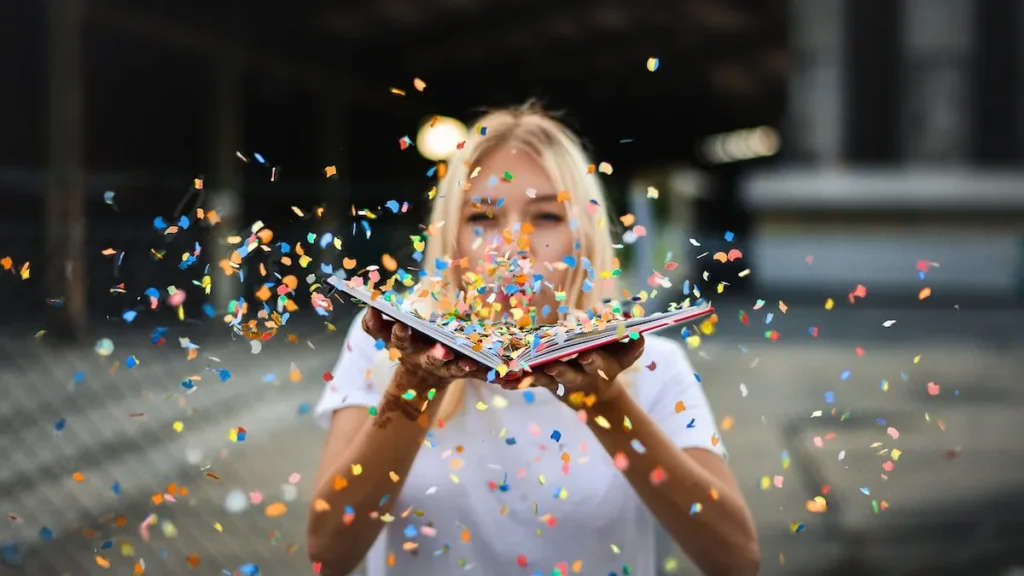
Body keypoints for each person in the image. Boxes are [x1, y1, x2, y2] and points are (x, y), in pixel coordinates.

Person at [307, 103, 759, 576]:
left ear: (582, 235)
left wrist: (603, 402)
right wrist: (415, 383)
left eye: (545, 216)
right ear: (451, 238)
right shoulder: (383, 350)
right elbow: (328, 552)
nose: (513, 243)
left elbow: (736, 560)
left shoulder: (654, 365)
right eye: (482, 216)